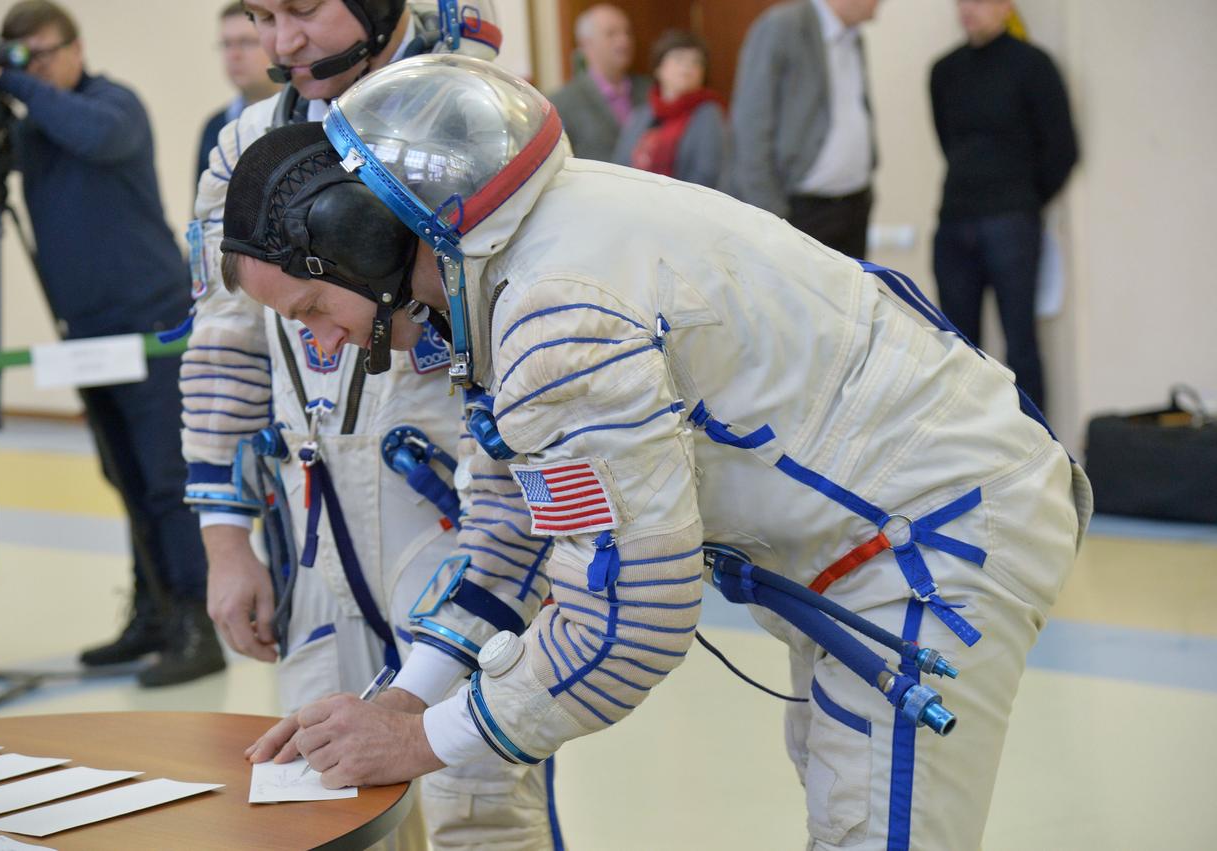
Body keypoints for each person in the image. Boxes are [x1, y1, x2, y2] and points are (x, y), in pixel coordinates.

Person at [222, 56, 1092, 851]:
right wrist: (406, 691)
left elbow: (629, 620)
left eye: (309, 310)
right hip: (889, 528)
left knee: (878, 829)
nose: (323, 344)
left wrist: (420, 739)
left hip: (934, 535)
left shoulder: (558, 313)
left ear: (361, 242)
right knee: (847, 803)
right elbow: (509, 531)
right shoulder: (513, 260)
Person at [183, 2, 558, 848]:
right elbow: (222, 346)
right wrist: (225, 538)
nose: (282, 44)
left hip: (461, 511)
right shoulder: (244, 147)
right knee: (317, 793)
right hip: (314, 522)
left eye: (304, 10)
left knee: (481, 802)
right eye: (259, 14)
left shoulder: (474, 121)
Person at [0, 0, 224, 687]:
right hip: (88, 332)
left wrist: (9, 80)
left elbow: (94, 138)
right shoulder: (34, 123)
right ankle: (154, 613)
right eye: (23, 57)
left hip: (152, 324)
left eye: (42, 55)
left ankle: (196, 623)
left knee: (165, 479)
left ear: (75, 47)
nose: (35, 69)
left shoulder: (112, 105)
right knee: (123, 477)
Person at [930, 0, 1078, 413]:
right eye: (960, 2)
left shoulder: (1032, 65)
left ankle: (1037, 451)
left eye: (977, 1)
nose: (966, 10)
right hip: (955, 219)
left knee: (1021, 344)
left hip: (1012, 221)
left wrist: (1022, 199)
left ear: (1004, 6)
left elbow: (1062, 149)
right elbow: (949, 142)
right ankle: (967, 451)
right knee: (956, 347)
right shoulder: (944, 71)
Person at [730, 0, 880, 259]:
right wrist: (771, 215)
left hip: (853, 206)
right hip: (800, 212)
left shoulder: (854, 37)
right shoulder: (782, 27)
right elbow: (750, 128)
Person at [612, 29, 728, 190]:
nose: (687, 67)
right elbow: (619, 167)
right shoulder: (642, 114)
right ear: (659, 68)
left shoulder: (709, 114)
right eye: (679, 59)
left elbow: (707, 174)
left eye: (696, 62)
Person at [195, 2, 280, 190]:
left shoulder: (307, 113)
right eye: (226, 44)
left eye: (246, 42)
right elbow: (203, 214)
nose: (234, 55)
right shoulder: (215, 126)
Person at [547, 3, 648, 162]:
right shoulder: (562, 103)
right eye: (611, 33)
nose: (624, 41)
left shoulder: (650, 91)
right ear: (586, 43)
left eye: (627, 32)